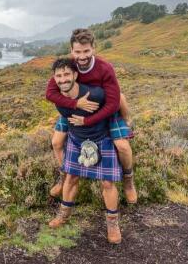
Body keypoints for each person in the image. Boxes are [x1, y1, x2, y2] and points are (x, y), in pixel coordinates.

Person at [46, 28, 137, 204]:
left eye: (86, 51)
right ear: (72, 50)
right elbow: (50, 93)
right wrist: (75, 104)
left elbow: (112, 103)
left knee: (123, 146)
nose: (82, 56)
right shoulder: (68, 67)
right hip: (74, 109)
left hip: (103, 111)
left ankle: (128, 180)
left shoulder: (105, 68)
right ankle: (63, 177)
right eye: (78, 51)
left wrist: (87, 121)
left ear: (93, 48)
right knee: (56, 142)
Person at [48, 58, 122, 244]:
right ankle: (64, 215)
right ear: (54, 78)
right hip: (77, 139)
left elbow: (115, 102)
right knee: (71, 178)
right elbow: (68, 117)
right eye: (59, 76)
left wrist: (122, 122)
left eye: (66, 74)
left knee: (107, 183)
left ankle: (112, 224)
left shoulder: (95, 93)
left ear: (75, 75)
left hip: (102, 138)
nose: (63, 79)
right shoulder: (59, 99)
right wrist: (76, 107)